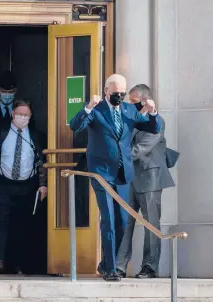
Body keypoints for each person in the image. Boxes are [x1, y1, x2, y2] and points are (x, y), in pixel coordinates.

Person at [69, 74, 162, 281]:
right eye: (115, 94)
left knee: (122, 221)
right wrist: (88, 106)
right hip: (101, 173)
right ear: (106, 92)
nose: (119, 97)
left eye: (122, 93)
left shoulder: (130, 110)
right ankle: (111, 269)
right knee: (109, 219)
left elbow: (153, 127)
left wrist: (153, 112)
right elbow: (75, 126)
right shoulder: (97, 110)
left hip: (122, 173)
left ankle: (105, 262)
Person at [0, 99, 48, 274]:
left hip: (27, 186)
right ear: (12, 114)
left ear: (31, 117)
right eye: (19, 114)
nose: (22, 118)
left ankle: (20, 264)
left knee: (23, 225)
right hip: (2, 184)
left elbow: (42, 161)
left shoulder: (36, 135)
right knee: (0, 222)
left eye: (26, 115)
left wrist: (43, 184)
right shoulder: (0, 132)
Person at [116, 84, 175, 278]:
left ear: (143, 101)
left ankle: (149, 266)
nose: (129, 105)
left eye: (132, 102)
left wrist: (118, 157)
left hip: (150, 178)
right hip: (129, 177)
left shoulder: (155, 121)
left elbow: (142, 147)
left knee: (151, 224)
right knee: (125, 222)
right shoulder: (130, 120)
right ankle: (120, 265)